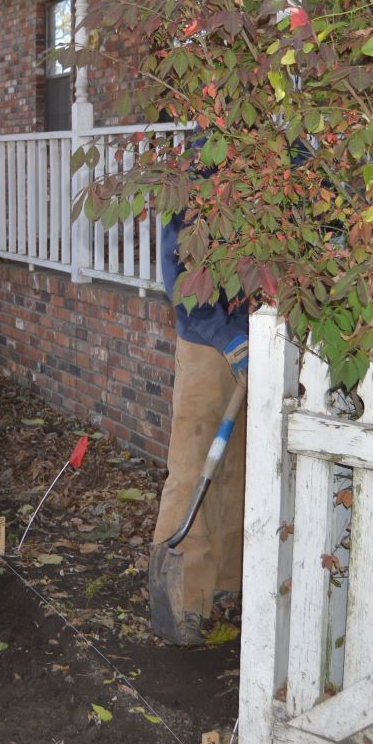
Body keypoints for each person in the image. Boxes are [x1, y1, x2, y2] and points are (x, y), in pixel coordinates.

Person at [148, 209, 250, 646]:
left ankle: (229, 585)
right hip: (209, 344)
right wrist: (228, 338)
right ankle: (183, 602)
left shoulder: (287, 156)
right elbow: (180, 273)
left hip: (264, 339)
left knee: (241, 469)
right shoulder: (196, 172)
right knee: (194, 469)